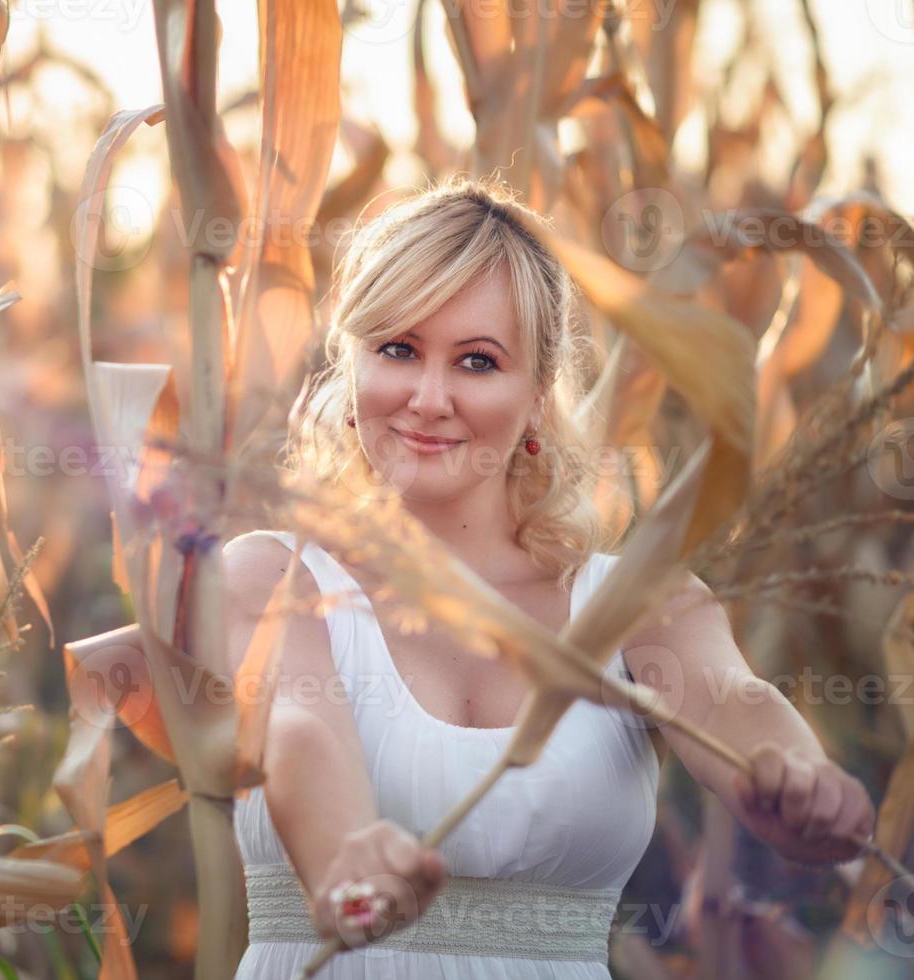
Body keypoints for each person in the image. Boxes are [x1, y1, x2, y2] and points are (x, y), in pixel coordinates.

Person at [223, 177, 876, 978]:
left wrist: (799, 778)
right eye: (396, 349)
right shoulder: (271, 574)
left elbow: (733, 702)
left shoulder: (640, 603)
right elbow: (297, 724)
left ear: (537, 397)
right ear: (350, 367)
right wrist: (341, 860)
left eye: (476, 362)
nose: (428, 400)